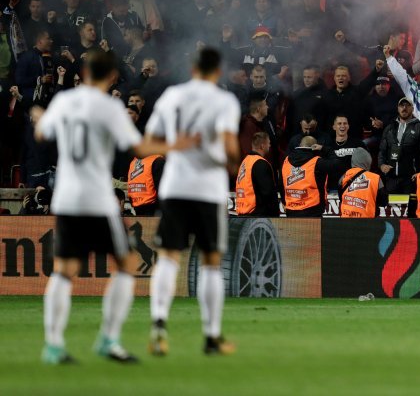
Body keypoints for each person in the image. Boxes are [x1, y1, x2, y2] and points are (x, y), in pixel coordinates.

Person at [33, 50, 193, 364]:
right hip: (97, 199)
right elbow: (139, 147)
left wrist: (39, 116)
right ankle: (108, 339)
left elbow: (41, 134)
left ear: (85, 71)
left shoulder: (64, 102)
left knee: (64, 272)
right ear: (112, 77)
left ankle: (53, 346)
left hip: (66, 199)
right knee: (125, 264)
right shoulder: (109, 108)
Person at [145, 47, 241, 356]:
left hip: (174, 187)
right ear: (218, 70)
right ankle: (211, 337)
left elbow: (148, 143)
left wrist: (177, 145)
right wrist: (230, 160)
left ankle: (159, 323)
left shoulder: (172, 95)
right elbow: (229, 148)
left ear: (193, 68)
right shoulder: (224, 101)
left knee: (168, 256)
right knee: (212, 262)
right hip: (207, 190)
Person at [378, 96, 420, 194]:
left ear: (412, 108)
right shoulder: (389, 128)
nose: (404, 108)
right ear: (398, 108)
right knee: (390, 208)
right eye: (401, 105)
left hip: (411, 178)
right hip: (391, 177)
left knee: (410, 207)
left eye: (407, 105)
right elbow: (382, 151)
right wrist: (382, 165)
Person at [281, 136, 335, 217]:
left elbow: (281, 185)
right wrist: (324, 149)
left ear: (300, 145)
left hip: (291, 210)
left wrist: (285, 203)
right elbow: (338, 163)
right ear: (315, 147)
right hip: (313, 210)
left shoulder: (285, 161)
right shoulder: (317, 162)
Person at [235, 131, 279, 217]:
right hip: (257, 216)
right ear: (262, 146)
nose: (270, 146)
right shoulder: (260, 163)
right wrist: (275, 215)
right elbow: (268, 193)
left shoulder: (245, 162)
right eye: (268, 143)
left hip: (243, 213)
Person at [339, 147, 387, 218]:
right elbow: (384, 201)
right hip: (367, 222)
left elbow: (340, 197)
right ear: (368, 161)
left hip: (346, 220)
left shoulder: (344, 177)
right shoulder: (376, 178)